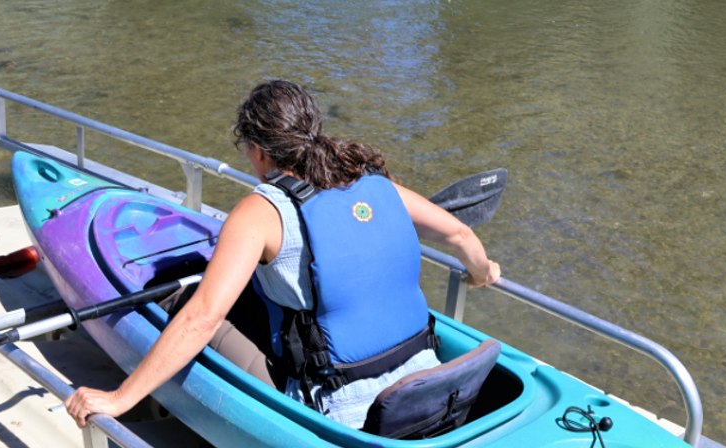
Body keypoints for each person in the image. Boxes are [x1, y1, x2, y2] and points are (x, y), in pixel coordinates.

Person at [64, 80, 500, 430]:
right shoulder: (376, 185)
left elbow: (203, 318)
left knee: (185, 306)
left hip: (343, 409)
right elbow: (460, 235)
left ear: (258, 150)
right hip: (430, 374)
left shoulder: (261, 210)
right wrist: (481, 273)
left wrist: (119, 398)